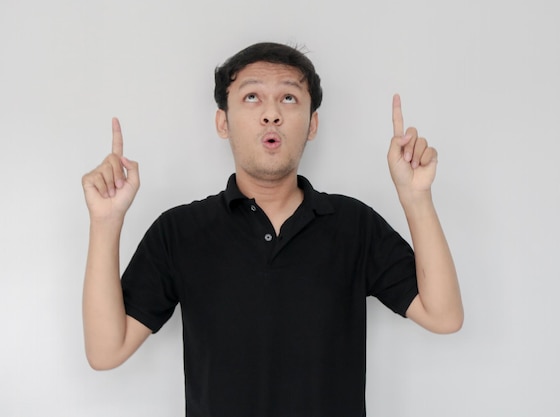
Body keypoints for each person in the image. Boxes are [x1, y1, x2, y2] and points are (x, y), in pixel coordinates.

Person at [81, 42, 463, 417]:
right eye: (251, 97)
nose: (271, 114)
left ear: (312, 124)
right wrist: (105, 222)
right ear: (222, 121)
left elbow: (443, 315)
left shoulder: (353, 225)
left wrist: (416, 199)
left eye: (289, 98)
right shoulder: (180, 232)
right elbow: (105, 351)